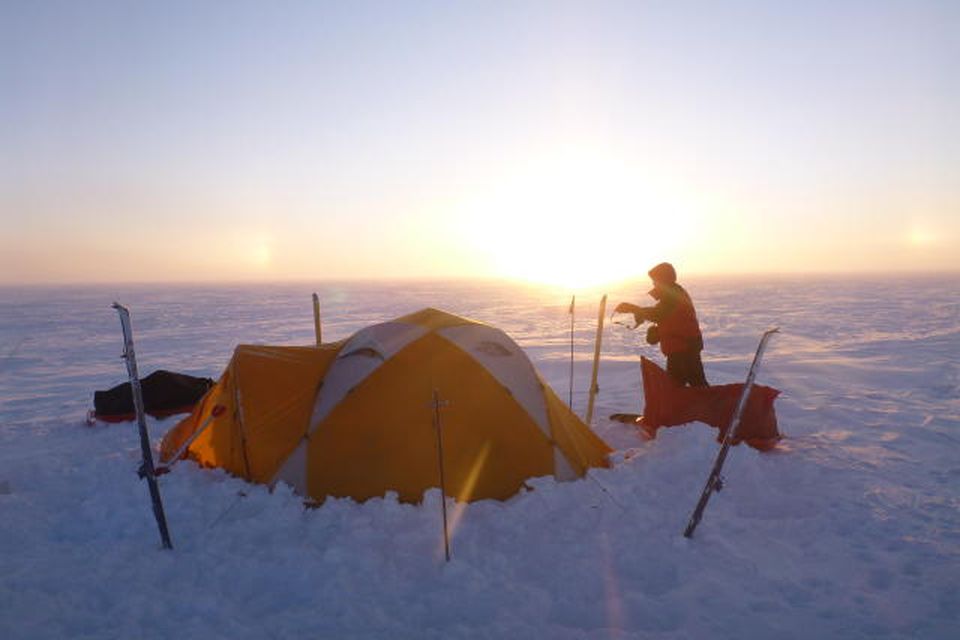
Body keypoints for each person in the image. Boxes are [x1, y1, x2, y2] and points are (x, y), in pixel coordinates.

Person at [615, 262, 708, 388]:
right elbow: (670, 319)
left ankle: (709, 406)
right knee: (688, 386)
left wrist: (634, 309)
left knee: (687, 388)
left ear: (664, 280)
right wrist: (659, 331)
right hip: (681, 347)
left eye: (655, 281)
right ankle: (699, 406)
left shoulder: (674, 295)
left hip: (684, 349)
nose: (654, 284)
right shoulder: (671, 294)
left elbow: (659, 314)